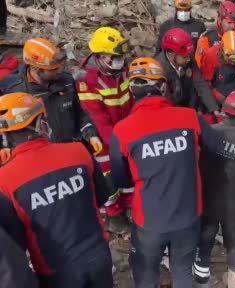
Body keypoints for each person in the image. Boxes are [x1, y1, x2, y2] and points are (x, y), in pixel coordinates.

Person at [109, 57, 230, 288]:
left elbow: (120, 178)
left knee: (146, 276)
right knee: (183, 272)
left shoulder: (123, 130)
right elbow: (218, 147)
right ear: (163, 87)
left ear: (132, 91)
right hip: (188, 216)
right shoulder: (189, 116)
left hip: (150, 222)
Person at [0, 92, 113, 287]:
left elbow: (15, 239)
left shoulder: (4, 180)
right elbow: (102, 196)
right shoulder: (78, 151)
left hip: (55, 273)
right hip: (98, 256)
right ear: (39, 124)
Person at [193, 90, 235, 288]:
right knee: (233, 239)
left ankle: (201, 280)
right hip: (233, 200)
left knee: (206, 237)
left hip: (208, 196)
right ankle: (233, 281)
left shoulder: (208, 132)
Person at [75, 27, 134, 232]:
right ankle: (114, 215)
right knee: (108, 176)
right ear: (100, 56)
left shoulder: (122, 71)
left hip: (124, 133)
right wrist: (121, 142)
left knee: (129, 172)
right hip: (103, 140)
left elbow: (131, 100)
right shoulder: (87, 80)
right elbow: (97, 119)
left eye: (121, 56)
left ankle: (130, 205)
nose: (120, 60)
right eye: (115, 56)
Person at [0, 37, 101, 149]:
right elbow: (6, 128)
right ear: (35, 68)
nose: (60, 70)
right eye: (53, 68)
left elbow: (80, 113)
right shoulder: (14, 90)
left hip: (70, 150)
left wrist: (91, 134)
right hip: (39, 156)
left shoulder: (66, 81)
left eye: (60, 65)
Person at [156, 27, 218, 114]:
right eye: (185, 57)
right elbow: (165, 99)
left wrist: (214, 108)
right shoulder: (159, 69)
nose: (189, 59)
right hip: (171, 111)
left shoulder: (188, 59)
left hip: (189, 106)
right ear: (171, 53)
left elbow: (200, 83)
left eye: (190, 55)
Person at [200, 30, 235, 107]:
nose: (233, 62)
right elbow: (205, 82)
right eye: (229, 57)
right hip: (216, 94)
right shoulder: (210, 56)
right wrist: (219, 97)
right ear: (222, 49)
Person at [195, 0, 235, 69]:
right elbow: (198, 66)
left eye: (234, 23)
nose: (233, 26)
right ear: (220, 19)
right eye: (229, 22)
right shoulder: (206, 38)